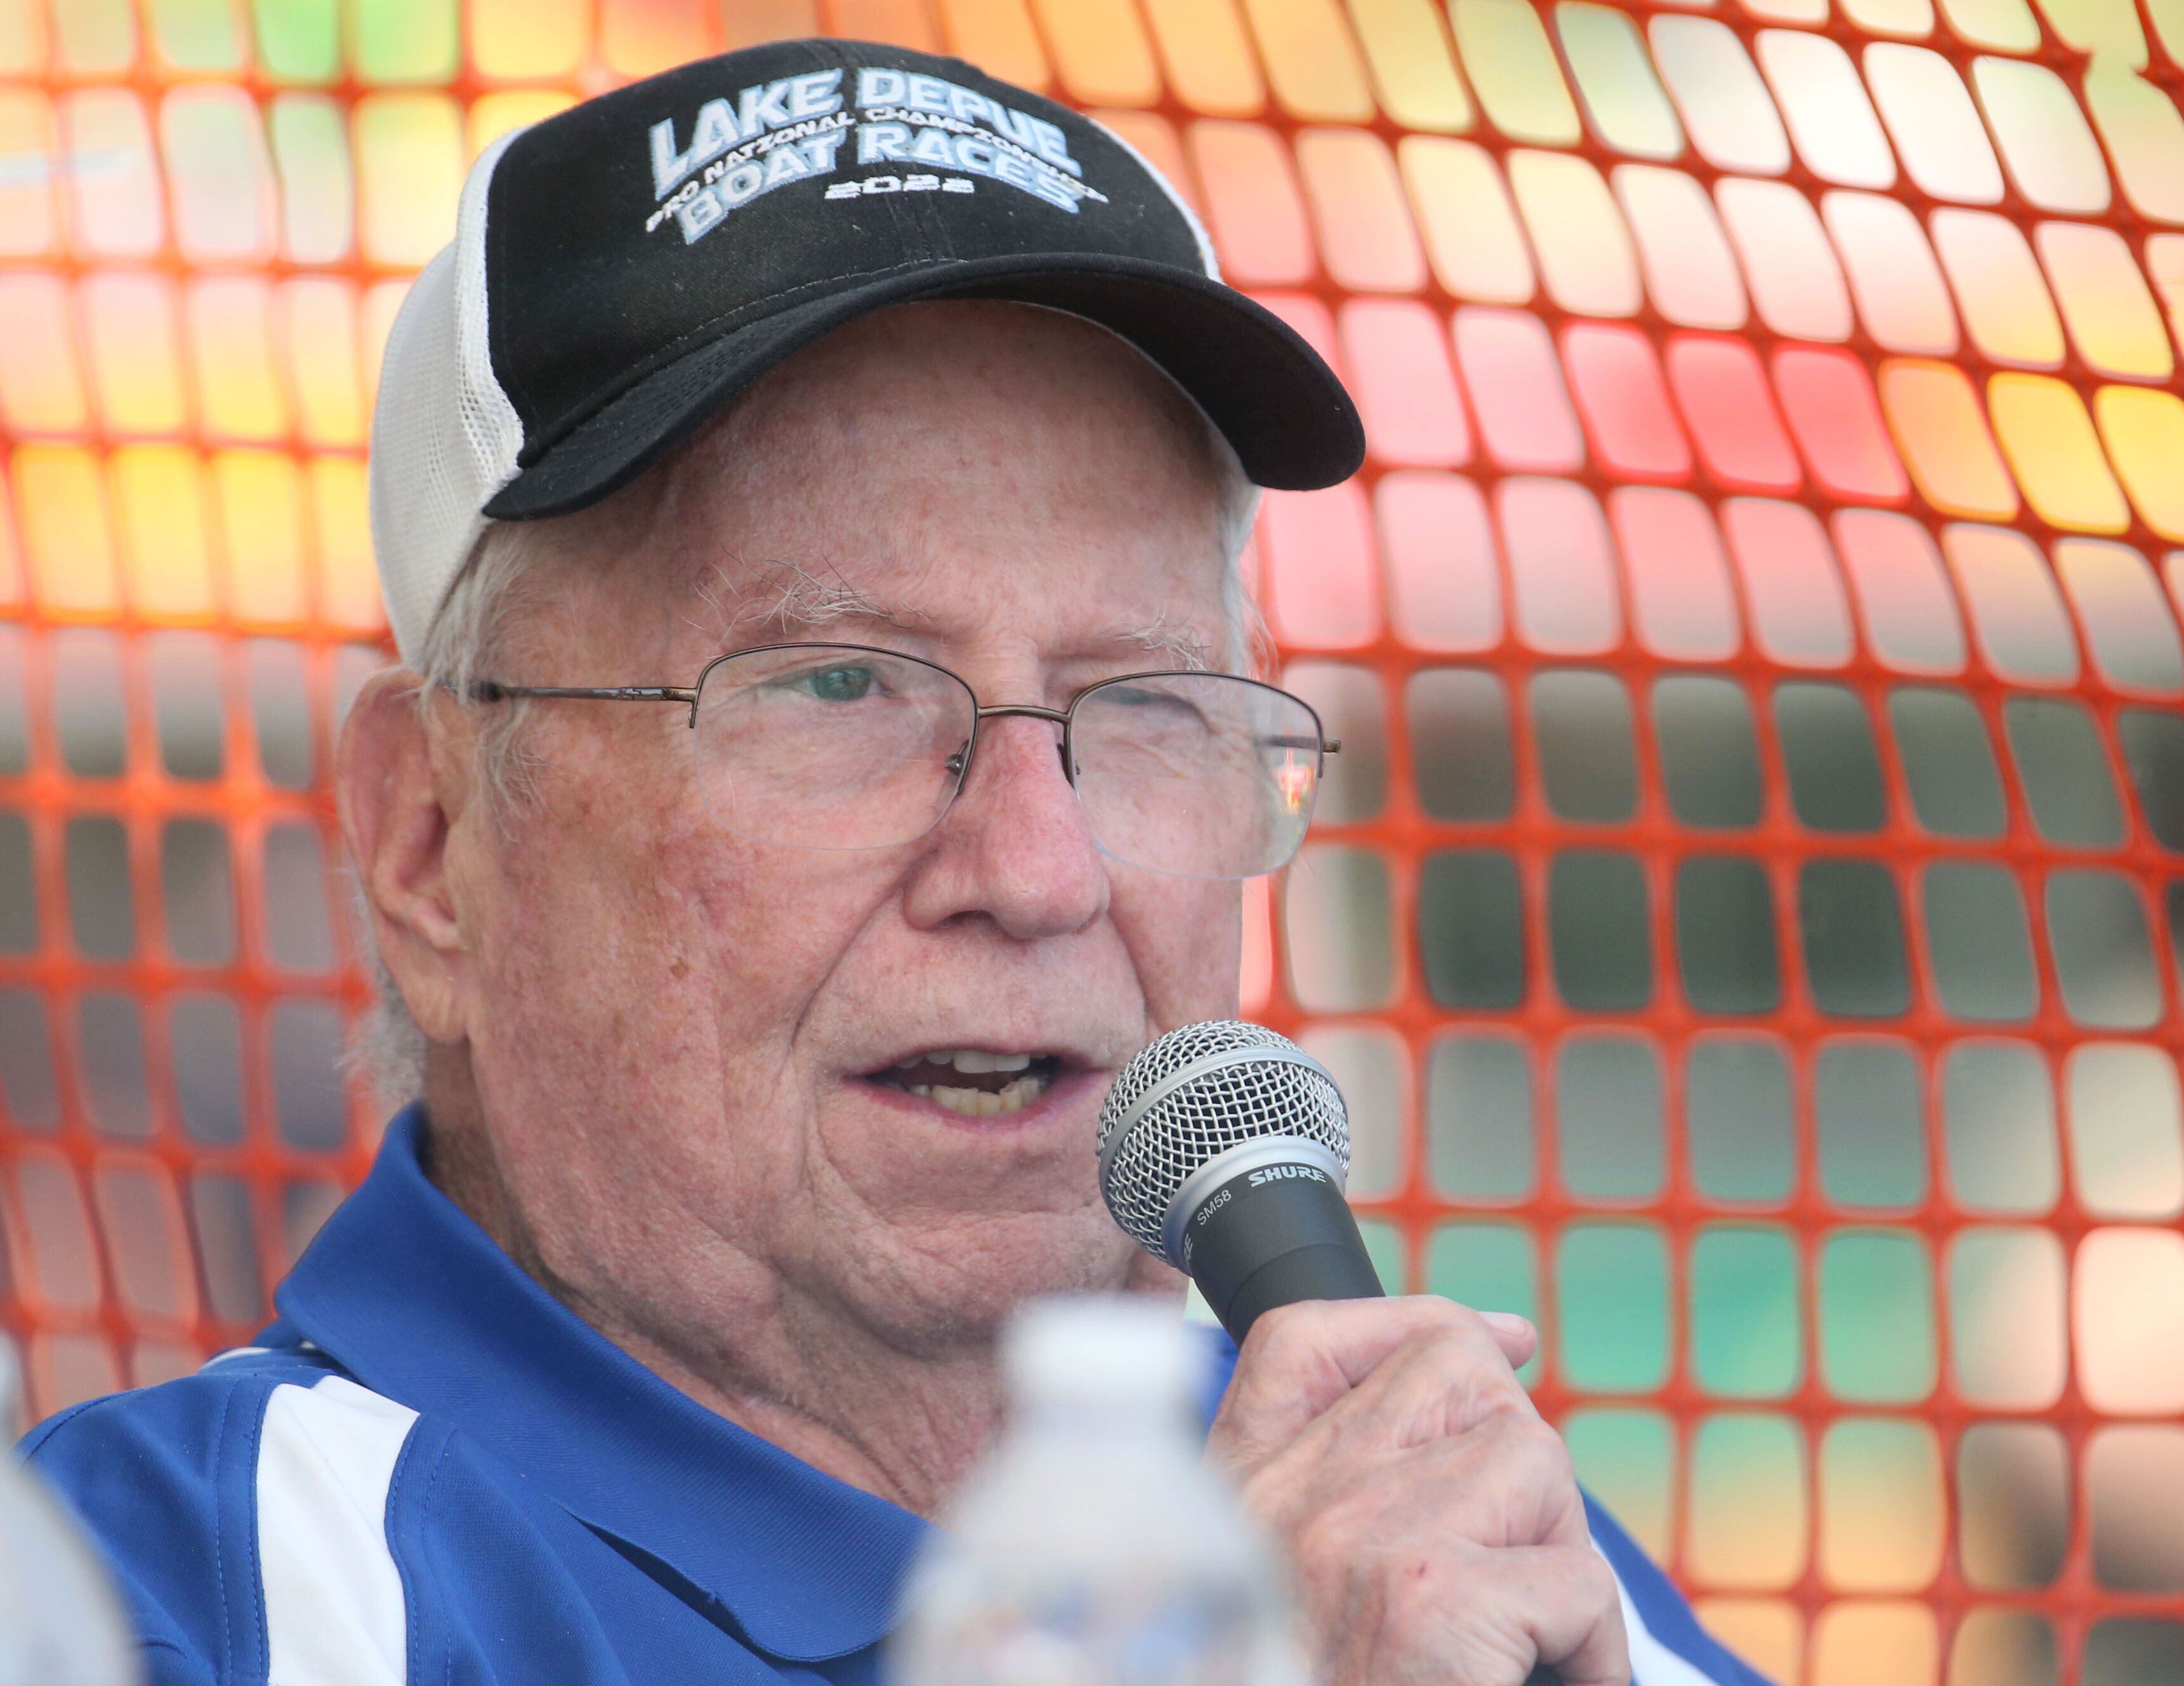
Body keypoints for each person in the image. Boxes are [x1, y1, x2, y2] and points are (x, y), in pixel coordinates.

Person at [25, 40, 1767, 1686]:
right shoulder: (171, 1598)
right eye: (836, 685)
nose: (1039, 868)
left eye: (1141, 700)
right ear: (429, 843)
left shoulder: (1435, 1531)